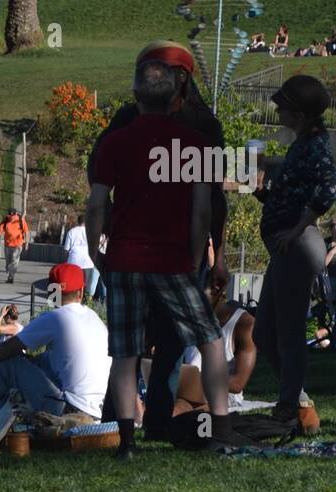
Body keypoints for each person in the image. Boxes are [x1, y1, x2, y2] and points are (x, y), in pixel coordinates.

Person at [87, 57, 246, 458]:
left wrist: (94, 250)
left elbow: (96, 203)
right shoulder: (197, 145)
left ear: (136, 95)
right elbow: (203, 209)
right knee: (210, 341)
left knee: (124, 352)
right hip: (174, 259)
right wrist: (198, 256)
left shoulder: (116, 142)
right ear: (177, 96)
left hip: (125, 256)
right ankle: (222, 431)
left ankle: (125, 441)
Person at [250, 75, 336, 431]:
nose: (278, 110)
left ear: (300, 114)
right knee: (263, 335)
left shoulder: (315, 145)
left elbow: (332, 184)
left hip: (294, 246)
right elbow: (293, 193)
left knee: (288, 333)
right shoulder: (303, 142)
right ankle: (298, 401)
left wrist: (301, 224)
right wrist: (262, 192)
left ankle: (289, 407)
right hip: (284, 246)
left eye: (284, 106)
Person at [0, 264, 111, 457]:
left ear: (51, 291)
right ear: (81, 291)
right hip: (99, 413)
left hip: (69, 411)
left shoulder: (56, 317)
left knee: (9, 365)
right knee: (37, 362)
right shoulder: (94, 318)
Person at [172, 290, 258, 414]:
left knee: (184, 405)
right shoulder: (189, 319)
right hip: (187, 390)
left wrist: (197, 381)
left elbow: (237, 383)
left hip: (223, 394)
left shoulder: (244, 324)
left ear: (219, 290)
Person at [62, 219, 99, 300]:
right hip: (88, 262)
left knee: (74, 284)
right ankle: (85, 303)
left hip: (73, 261)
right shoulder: (91, 231)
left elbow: (66, 249)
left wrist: (65, 261)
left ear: (77, 222)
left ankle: (74, 300)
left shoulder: (71, 231)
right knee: (86, 285)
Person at [0, 209, 29, 284]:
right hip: (7, 244)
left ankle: (11, 276)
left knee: (14, 261)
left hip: (18, 245)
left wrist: (26, 243)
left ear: (16, 214)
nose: (12, 216)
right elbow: (0, 229)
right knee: (8, 262)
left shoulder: (21, 220)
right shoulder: (6, 220)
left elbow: (26, 232)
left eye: (13, 215)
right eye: (10, 215)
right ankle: (9, 276)